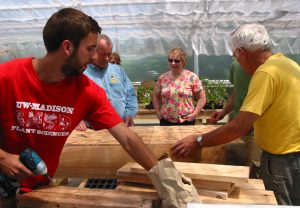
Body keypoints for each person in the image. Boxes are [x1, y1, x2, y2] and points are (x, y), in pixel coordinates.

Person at [0, 8, 199, 207]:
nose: (95, 56)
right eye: (90, 49)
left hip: (38, 190)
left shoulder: (86, 92)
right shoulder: (7, 77)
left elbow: (128, 138)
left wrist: (164, 178)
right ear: (67, 47)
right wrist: (3, 158)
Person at [171, 23, 300, 205]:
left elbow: (237, 128)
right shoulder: (288, 64)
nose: (238, 62)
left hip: (282, 159)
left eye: (236, 58)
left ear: (241, 53)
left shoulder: (265, 74)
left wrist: (198, 141)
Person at [210, 59, 261, 175]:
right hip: (235, 127)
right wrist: (222, 113)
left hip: (255, 131)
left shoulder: (265, 67)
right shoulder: (236, 64)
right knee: (232, 167)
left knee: (251, 170)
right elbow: (236, 92)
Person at [76, 34, 137, 130]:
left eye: (109, 54)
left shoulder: (118, 70)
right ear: (94, 51)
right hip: (92, 131)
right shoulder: (81, 72)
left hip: (121, 126)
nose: (107, 58)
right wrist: (76, 119)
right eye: (103, 54)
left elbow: (130, 94)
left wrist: (129, 113)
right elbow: (69, 100)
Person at [152, 47, 206, 126]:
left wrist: (194, 114)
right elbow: (156, 95)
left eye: (177, 61)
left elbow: (202, 98)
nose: (173, 63)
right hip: (166, 121)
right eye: (170, 60)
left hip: (186, 120)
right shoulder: (162, 78)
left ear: (183, 61)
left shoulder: (191, 77)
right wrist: (157, 112)